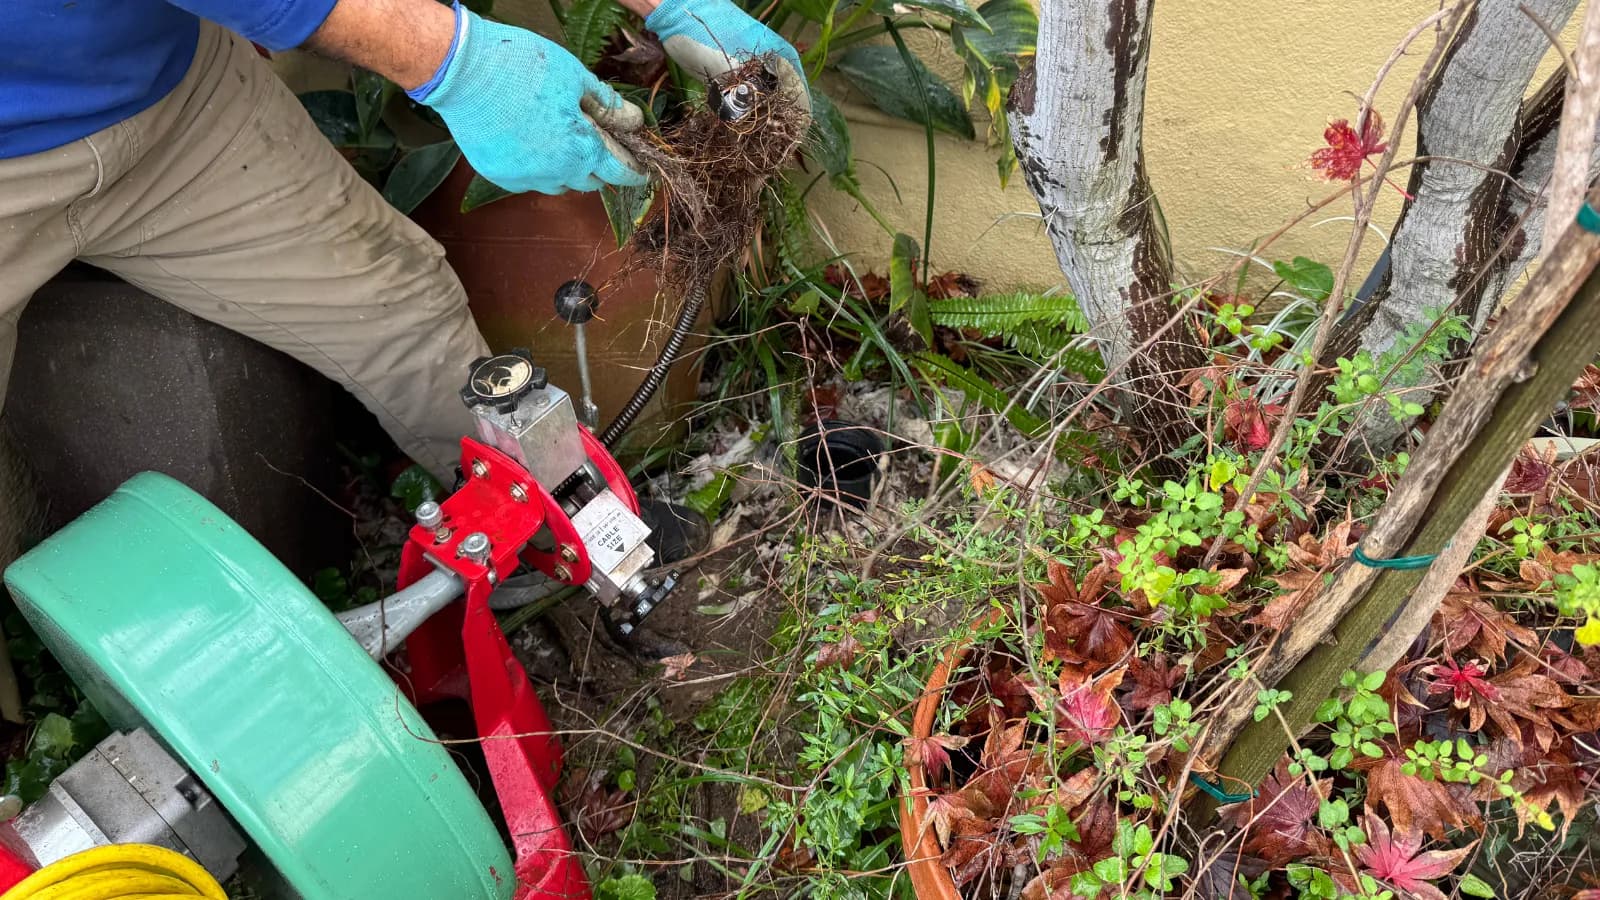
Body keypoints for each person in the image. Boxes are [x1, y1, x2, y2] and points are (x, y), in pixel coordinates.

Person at [1, 0, 808, 485]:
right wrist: (450, 61)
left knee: (403, 310)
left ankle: (541, 547)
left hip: (168, 95)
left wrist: (670, 0)